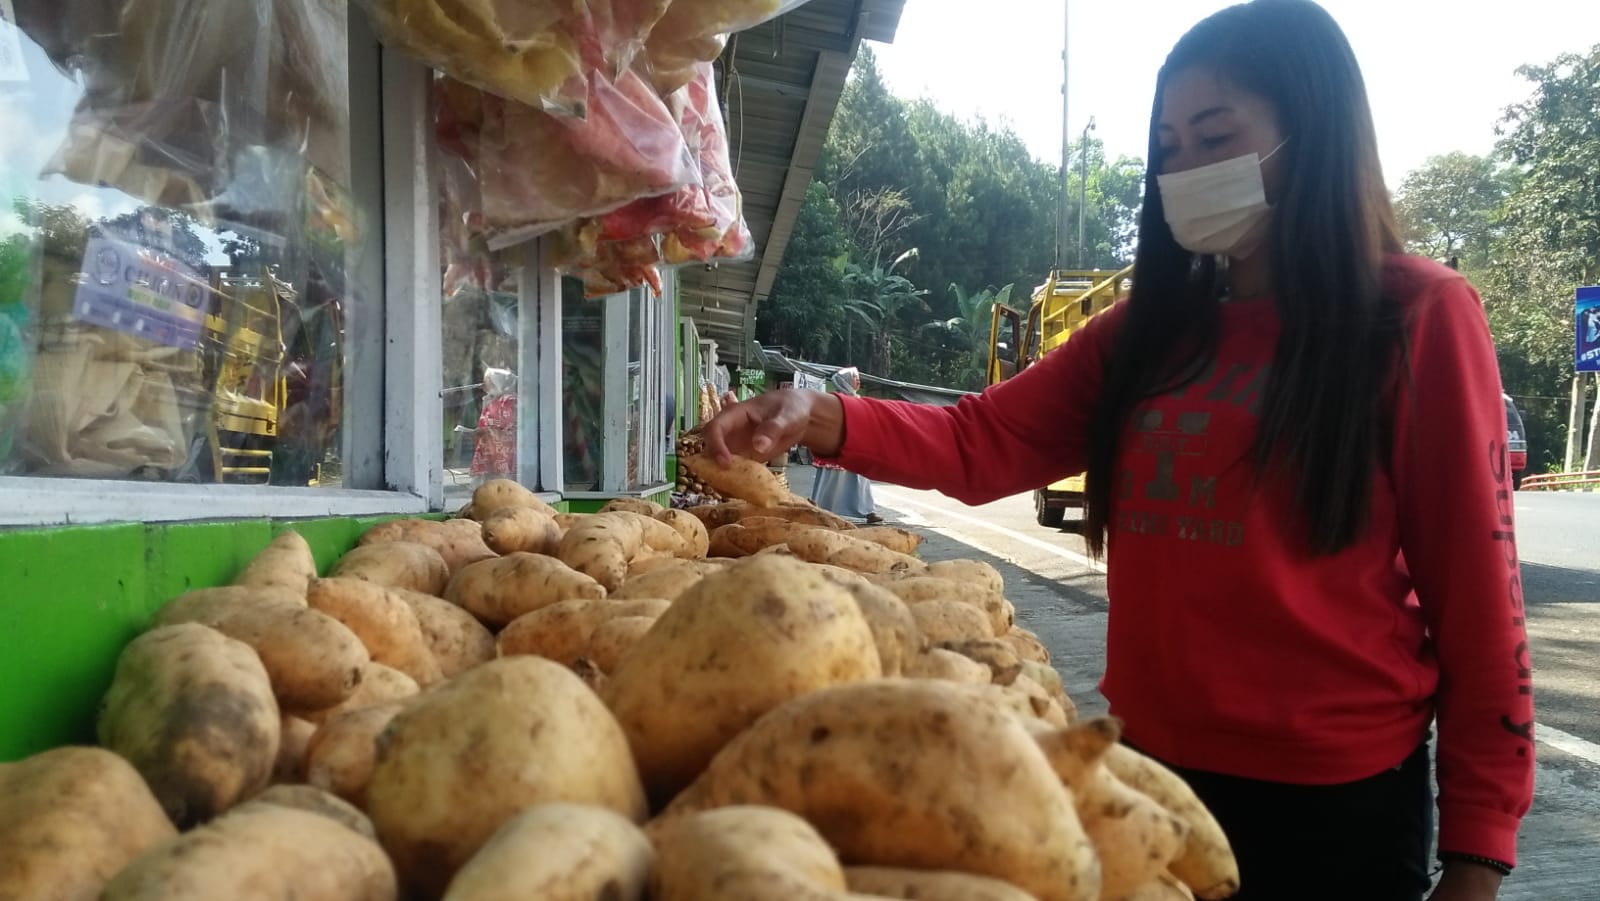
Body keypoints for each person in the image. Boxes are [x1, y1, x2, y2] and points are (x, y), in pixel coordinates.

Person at [700, 3, 1533, 899]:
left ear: (1312, 134)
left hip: (1338, 808)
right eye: (1169, 145)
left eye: (1216, 135)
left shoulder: (1416, 317)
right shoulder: (1148, 335)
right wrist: (816, 414)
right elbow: (982, 439)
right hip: (1148, 774)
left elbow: (1481, 607)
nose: (1186, 167)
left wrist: (1478, 853)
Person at [808, 367, 883, 524]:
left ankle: (867, 511)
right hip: (837, 445)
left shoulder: (857, 399)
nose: (858, 380)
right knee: (831, 480)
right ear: (846, 381)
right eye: (855, 377)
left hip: (857, 446)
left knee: (861, 480)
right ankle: (821, 510)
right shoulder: (834, 400)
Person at [459, 367, 516, 486]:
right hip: (488, 446)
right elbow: (483, 421)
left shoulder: (508, 399)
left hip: (501, 448)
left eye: (487, 381)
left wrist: (488, 429)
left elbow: (506, 421)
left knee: (501, 481)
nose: (484, 385)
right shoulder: (490, 399)